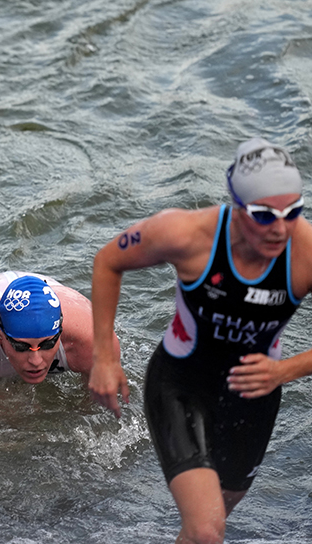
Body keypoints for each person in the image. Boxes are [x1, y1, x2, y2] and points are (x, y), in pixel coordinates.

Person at [89, 137, 312, 544]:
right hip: (180, 385)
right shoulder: (186, 234)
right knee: (208, 529)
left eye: (292, 211)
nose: (280, 228)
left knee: (208, 524)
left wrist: (285, 370)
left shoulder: (306, 252)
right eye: (264, 215)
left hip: (254, 398)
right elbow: (108, 261)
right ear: (237, 206)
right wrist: (105, 355)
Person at [0, 271, 116, 395]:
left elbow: (97, 406)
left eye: (47, 344)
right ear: (1, 337)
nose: (36, 361)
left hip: (48, 290)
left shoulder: (93, 343)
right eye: (20, 346)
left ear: (60, 333)